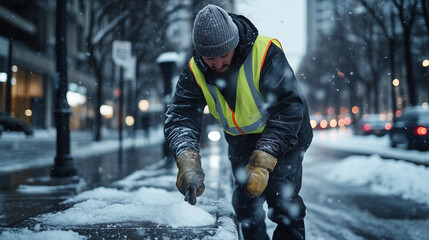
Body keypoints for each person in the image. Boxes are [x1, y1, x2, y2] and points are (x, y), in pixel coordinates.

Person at [164, 4, 313, 240]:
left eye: (224, 55)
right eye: (210, 57)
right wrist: (187, 158)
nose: (218, 63)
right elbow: (181, 115)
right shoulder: (194, 70)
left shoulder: (265, 54)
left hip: (285, 137)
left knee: (283, 203)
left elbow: (289, 107)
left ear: (234, 44)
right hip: (241, 142)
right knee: (246, 207)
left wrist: (265, 158)